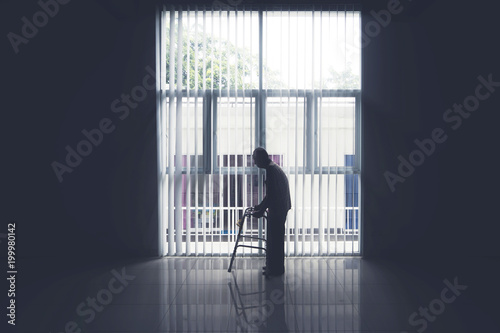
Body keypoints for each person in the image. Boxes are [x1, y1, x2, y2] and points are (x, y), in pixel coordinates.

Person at [251, 147, 291, 278]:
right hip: (280, 207)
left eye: (255, 160)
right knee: (274, 240)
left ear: (262, 158)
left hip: (278, 209)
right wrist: (260, 206)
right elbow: (270, 195)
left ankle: (275, 269)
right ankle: (273, 266)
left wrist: (260, 210)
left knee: (275, 241)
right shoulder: (273, 168)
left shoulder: (271, 171)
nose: (255, 163)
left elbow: (271, 195)